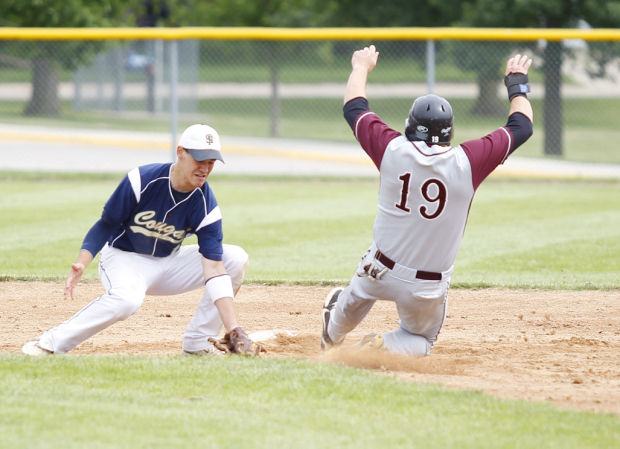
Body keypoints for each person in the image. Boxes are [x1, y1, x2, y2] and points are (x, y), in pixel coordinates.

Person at [321, 45, 534, 356]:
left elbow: (354, 106)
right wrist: (516, 83)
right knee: (420, 341)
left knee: (356, 293)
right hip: (425, 288)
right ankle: (378, 347)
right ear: (449, 132)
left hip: (378, 269)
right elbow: (522, 126)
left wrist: (361, 68)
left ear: (410, 126)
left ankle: (333, 332)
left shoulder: (392, 149)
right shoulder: (468, 161)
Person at [22, 124, 260, 356]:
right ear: (180, 152)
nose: (205, 169)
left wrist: (233, 328)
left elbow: (214, 267)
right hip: (124, 258)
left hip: (168, 263)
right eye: (200, 160)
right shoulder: (142, 180)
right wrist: (82, 261)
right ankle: (50, 342)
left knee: (235, 258)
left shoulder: (207, 206)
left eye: (211, 162)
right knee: (127, 301)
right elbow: (107, 223)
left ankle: (198, 342)